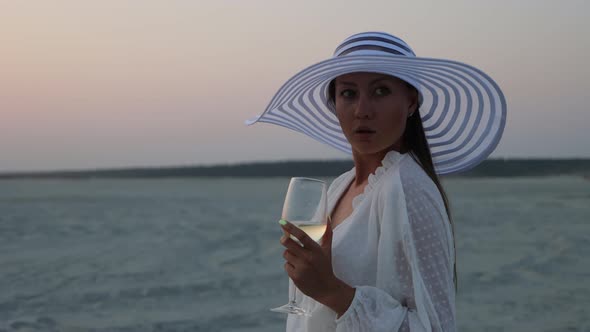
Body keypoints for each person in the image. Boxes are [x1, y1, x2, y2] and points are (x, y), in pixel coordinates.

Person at [246, 31, 506, 331]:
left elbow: (436, 326)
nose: (362, 110)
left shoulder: (407, 188)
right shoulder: (340, 187)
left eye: (381, 91)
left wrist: (333, 291)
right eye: (348, 93)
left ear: (410, 102)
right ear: (334, 103)